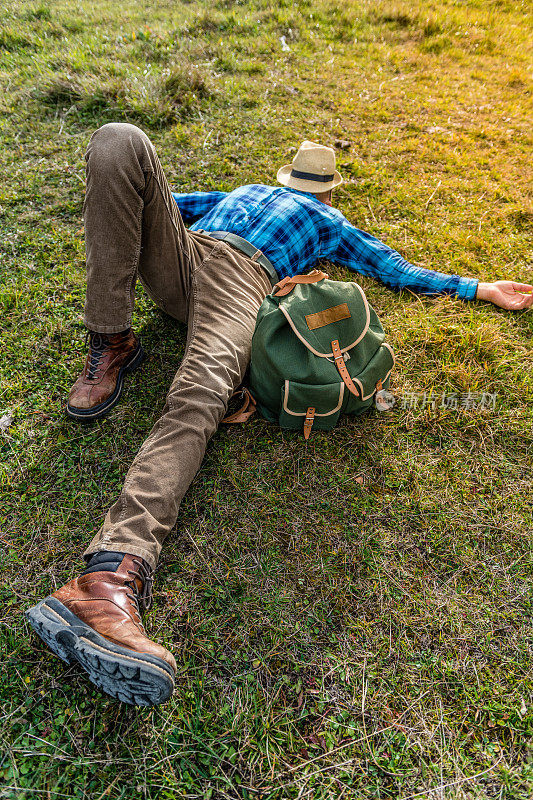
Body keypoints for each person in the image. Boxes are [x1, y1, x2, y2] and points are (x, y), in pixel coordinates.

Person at [26, 125, 533, 707]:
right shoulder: (238, 192)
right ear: (325, 186)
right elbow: (165, 202)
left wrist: (477, 288)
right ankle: (112, 340)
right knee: (120, 141)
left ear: (302, 184)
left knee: (200, 397)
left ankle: (107, 576)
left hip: (243, 282)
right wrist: (108, 198)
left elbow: (389, 267)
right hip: (184, 258)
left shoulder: (328, 224)